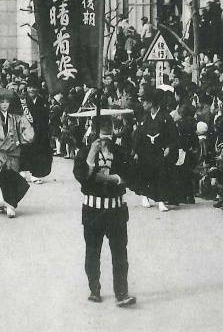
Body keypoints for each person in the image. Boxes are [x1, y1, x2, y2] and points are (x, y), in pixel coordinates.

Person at [73, 117, 137, 307]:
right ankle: (94, 289)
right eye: (102, 128)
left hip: (115, 210)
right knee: (93, 252)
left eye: (109, 127)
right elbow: (82, 176)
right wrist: (92, 153)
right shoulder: (85, 152)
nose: (106, 132)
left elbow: (130, 175)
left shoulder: (120, 151)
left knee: (120, 253)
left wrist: (108, 179)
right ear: (94, 130)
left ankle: (122, 292)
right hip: (93, 210)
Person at [0, 94, 35, 218]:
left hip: (12, 154)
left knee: (10, 179)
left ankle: (9, 205)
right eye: (2, 102)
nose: (5, 104)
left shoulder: (16, 118)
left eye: (7, 102)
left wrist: (26, 124)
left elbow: (28, 135)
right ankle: (2, 203)